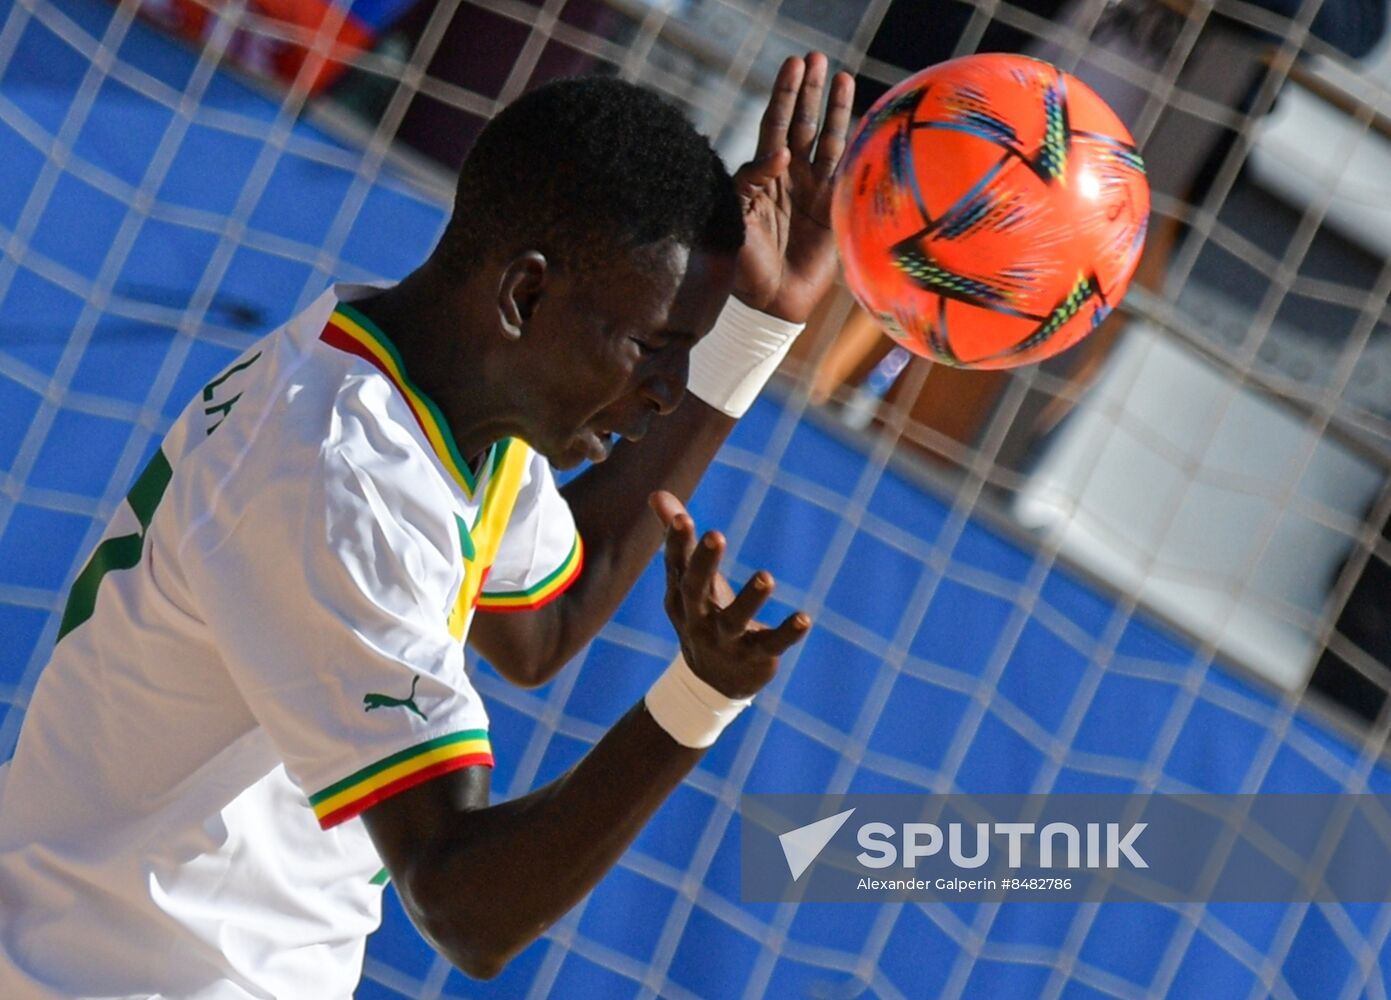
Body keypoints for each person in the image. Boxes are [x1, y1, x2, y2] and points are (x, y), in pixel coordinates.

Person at [0, 54, 854, 996]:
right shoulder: (338, 476)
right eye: (653, 348)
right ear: (525, 296)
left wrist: (759, 326)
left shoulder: (444, 393)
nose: (665, 393)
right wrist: (700, 699)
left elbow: (545, 625)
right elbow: (464, 908)